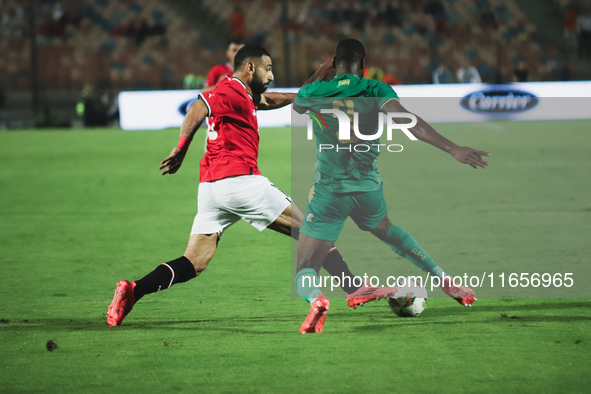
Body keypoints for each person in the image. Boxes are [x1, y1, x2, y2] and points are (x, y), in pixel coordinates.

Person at [107, 45, 393, 328]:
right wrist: (181, 147)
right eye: (268, 69)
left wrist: (319, 74)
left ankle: (134, 290)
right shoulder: (229, 89)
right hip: (240, 181)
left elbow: (275, 100)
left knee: (193, 262)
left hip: (212, 189)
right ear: (250, 67)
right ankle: (353, 289)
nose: (271, 76)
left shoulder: (243, 96)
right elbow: (198, 106)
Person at [293, 38, 491, 334]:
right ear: (365, 65)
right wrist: (452, 148)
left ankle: (317, 299)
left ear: (334, 63)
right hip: (367, 189)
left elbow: (297, 104)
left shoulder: (314, 91)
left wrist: (321, 72)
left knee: (306, 266)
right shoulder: (376, 89)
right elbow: (407, 120)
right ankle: (443, 279)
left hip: (329, 192)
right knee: (386, 229)